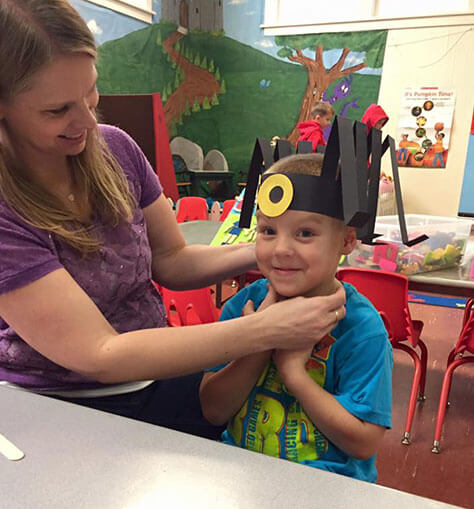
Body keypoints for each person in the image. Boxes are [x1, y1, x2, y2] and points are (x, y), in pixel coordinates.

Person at [0, 0, 347, 439]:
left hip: (157, 367)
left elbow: (172, 258)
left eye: (91, 89)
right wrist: (261, 330)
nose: (88, 119)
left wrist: (260, 251)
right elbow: (99, 354)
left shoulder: (117, 150)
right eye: (57, 110)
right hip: (61, 408)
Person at [200, 153, 393, 482]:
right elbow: (213, 410)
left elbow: (363, 442)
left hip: (325, 487)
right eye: (268, 230)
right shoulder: (243, 308)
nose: (281, 249)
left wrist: (295, 374)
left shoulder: (360, 329)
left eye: (304, 233)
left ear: (347, 240)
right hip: (239, 476)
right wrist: (260, 339)